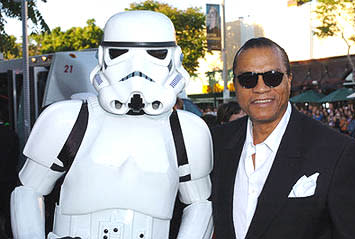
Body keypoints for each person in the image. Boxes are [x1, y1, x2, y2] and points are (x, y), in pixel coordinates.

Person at [11, 11, 213, 239]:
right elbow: (28, 192)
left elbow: (200, 206)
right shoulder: (66, 119)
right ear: (102, 56)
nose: (137, 67)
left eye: (156, 54)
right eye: (120, 53)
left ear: (175, 59)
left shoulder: (188, 132)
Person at [211, 37, 355, 238]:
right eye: (248, 78)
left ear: (289, 80)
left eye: (272, 77)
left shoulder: (338, 152)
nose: (260, 87)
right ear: (235, 85)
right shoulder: (216, 142)